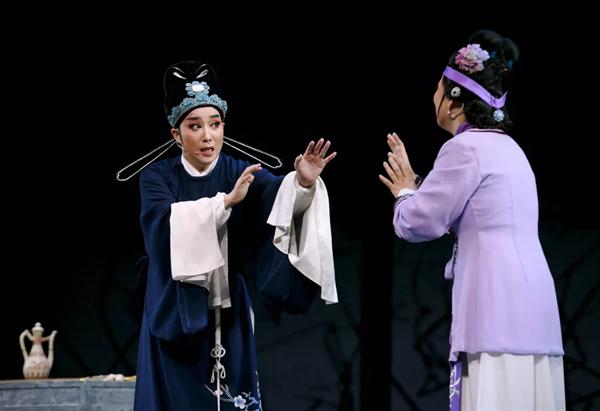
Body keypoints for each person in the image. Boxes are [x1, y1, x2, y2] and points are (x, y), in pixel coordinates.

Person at [133, 61, 338, 411]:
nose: (208, 136)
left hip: (228, 310)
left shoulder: (239, 170)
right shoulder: (157, 176)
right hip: (172, 310)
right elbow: (162, 229)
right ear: (176, 134)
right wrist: (224, 203)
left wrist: (302, 184)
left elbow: (277, 200)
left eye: (215, 124)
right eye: (195, 126)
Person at [379, 30, 565, 410]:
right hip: (534, 307)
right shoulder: (510, 149)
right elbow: (475, 212)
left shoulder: (463, 148)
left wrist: (405, 192)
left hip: (495, 305)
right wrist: (419, 186)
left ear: (453, 102)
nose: (433, 96)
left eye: (437, 89)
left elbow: (418, 222)